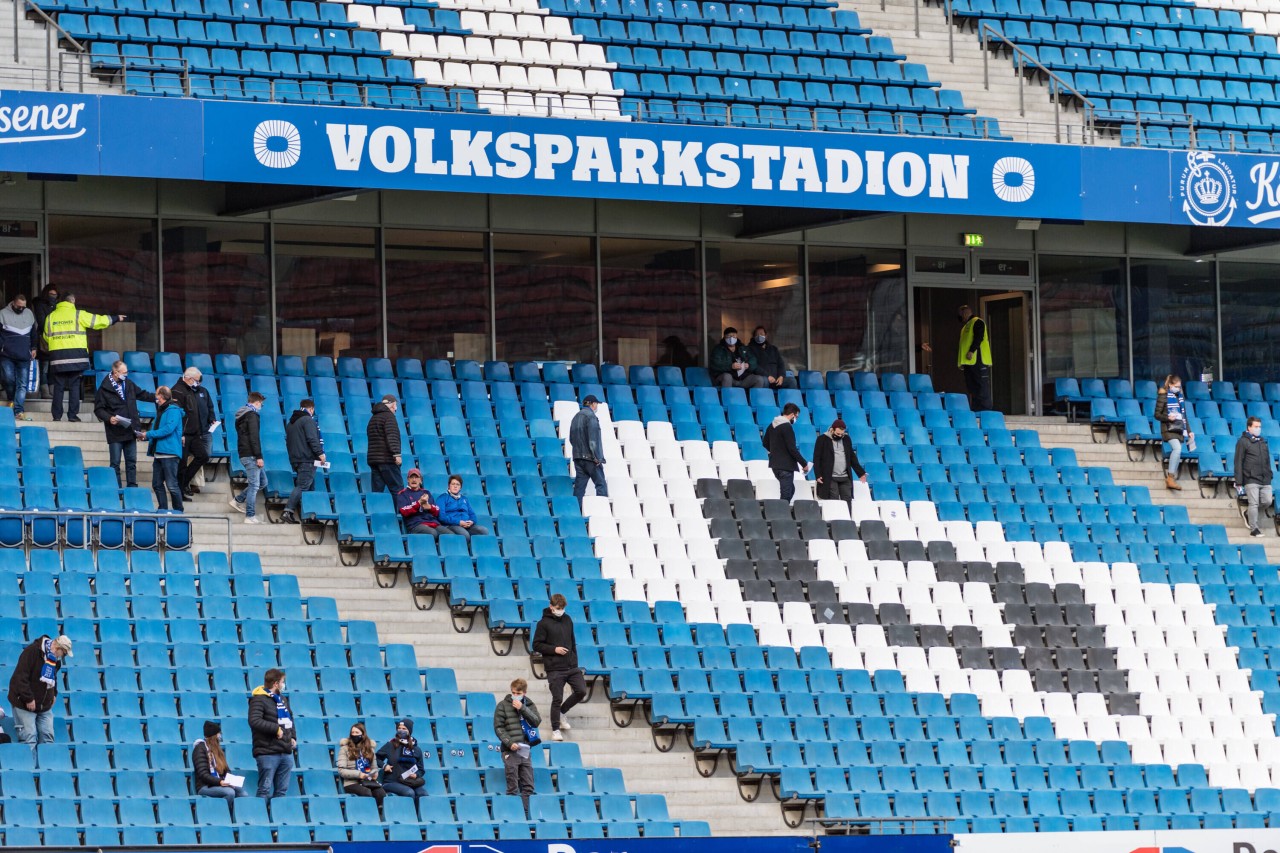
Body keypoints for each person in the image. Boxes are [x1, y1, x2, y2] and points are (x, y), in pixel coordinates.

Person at [41, 292, 123, 422]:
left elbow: (46, 336)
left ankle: (56, 416)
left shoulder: (50, 317)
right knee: (74, 386)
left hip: (57, 358)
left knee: (58, 387)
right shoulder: (78, 314)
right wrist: (115, 318)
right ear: (72, 301)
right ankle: (72, 416)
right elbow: (98, 321)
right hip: (76, 357)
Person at [532, 593, 586, 742]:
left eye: (562, 608)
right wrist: (554, 649)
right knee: (557, 698)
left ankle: (563, 712)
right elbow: (536, 645)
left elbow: (572, 641)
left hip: (571, 665)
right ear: (551, 606)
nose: (560, 610)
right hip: (554, 668)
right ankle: (555, 730)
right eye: (558, 608)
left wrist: (574, 659)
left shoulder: (568, 619)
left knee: (581, 691)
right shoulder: (543, 624)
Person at [94, 360, 156, 487]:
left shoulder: (128, 384)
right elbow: (99, 409)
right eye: (124, 372)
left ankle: (132, 487)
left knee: (131, 461)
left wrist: (157, 398)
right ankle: (117, 490)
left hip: (130, 429)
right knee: (115, 463)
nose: (126, 375)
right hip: (115, 431)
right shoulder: (104, 388)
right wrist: (109, 418)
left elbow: (142, 394)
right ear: (116, 373)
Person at [7, 634, 72, 749]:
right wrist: (28, 698)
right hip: (23, 703)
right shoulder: (31, 652)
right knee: (29, 739)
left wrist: (54, 694)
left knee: (48, 738)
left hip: (44, 705)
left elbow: (53, 678)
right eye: (64, 653)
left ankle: (47, 766)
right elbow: (21, 677)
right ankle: (29, 766)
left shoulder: (55, 660)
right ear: (58, 649)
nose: (64, 656)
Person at [248, 668, 296, 801]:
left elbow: (289, 718)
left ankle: (279, 818)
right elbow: (254, 721)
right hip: (267, 752)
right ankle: (261, 817)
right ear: (275, 683)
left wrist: (292, 736)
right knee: (264, 789)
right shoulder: (258, 700)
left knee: (282, 791)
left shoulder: (282, 699)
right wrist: (275, 729)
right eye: (282, 682)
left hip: (285, 751)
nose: (283, 684)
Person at [494, 678, 541, 812]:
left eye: (518, 693)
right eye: (513, 692)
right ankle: (512, 814)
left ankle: (526, 814)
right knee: (512, 786)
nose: (515, 695)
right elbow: (498, 728)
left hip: (525, 749)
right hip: (510, 750)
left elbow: (536, 721)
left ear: (524, 693)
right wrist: (509, 742)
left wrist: (523, 708)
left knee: (528, 786)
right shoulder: (502, 705)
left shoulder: (529, 704)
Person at [170, 367, 217, 499]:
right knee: (182, 464)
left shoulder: (191, 389)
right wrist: (181, 434)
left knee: (202, 456)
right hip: (185, 433)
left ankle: (184, 483)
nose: (198, 383)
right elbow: (177, 414)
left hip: (194, 432)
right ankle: (179, 491)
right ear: (189, 378)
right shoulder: (177, 390)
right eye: (196, 380)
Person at [281, 398, 325, 525]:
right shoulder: (308, 420)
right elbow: (312, 438)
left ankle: (310, 516)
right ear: (311, 409)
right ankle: (288, 511)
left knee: (310, 488)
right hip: (307, 459)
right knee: (303, 486)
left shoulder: (291, 423)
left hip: (296, 459)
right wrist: (320, 453)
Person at [141, 386, 185, 512]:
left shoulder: (173, 410)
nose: (156, 398)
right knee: (157, 484)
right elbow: (158, 430)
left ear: (161, 395)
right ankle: (163, 510)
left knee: (171, 485)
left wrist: (148, 434)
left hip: (170, 453)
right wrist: (145, 437)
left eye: (157, 395)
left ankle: (178, 511)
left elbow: (168, 429)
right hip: (159, 453)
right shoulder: (161, 410)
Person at [764, 402, 811, 502]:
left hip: (775, 465)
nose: (796, 419)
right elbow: (792, 448)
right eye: (796, 416)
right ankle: (781, 514)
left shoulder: (772, 425)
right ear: (792, 415)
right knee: (786, 494)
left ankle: (782, 512)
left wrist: (775, 452)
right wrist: (804, 464)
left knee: (790, 490)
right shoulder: (787, 427)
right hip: (785, 466)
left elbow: (765, 443)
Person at [230, 391, 266, 524]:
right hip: (250, 454)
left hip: (245, 452)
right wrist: (259, 456)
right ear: (257, 403)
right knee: (254, 485)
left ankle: (238, 500)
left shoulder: (242, 414)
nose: (261, 406)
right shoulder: (252, 415)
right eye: (261, 404)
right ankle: (250, 516)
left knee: (263, 482)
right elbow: (254, 437)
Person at [1155, 374, 1194, 491]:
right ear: (1170, 385)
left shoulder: (1180, 397)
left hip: (1178, 428)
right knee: (1177, 449)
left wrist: (1189, 431)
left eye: (1179, 386)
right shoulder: (1163, 395)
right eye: (1176, 386)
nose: (1178, 388)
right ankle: (1170, 477)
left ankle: (1171, 477)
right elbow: (1157, 415)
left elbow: (1184, 416)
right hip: (1168, 427)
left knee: (1178, 451)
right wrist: (1168, 417)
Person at [1235, 416, 1273, 538]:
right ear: (1249, 427)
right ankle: (1254, 528)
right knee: (1254, 503)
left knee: (1267, 501)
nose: (1258, 429)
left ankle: (1247, 513)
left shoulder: (1262, 441)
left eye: (1259, 427)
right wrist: (1239, 481)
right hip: (1250, 478)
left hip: (1265, 478)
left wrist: (1269, 474)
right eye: (1256, 427)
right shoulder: (1242, 441)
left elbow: (1267, 460)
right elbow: (1238, 462)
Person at [812, 418, 866, 502]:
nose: (840, 436)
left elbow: (852, 457)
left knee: (847, 500)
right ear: (832, 429)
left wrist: (861, 473)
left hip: (845, 476)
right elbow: (817, 458)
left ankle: (848, 515)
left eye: (842, 434)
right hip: (830, 477)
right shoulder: (822, 439)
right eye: (838, 433)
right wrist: (818, 474)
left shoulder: (846, 439)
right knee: (834, 501)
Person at [0, 293, 36, 420]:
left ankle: (18, 410)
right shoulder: (3, 313)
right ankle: (11, 399)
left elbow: (33, 333)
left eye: (23, 307)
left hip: (24, 355)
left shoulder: (29, 313)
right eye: (19, 306)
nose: (21, 309)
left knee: (22, 384)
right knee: (8, 379)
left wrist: (34, 348)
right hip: (6, 355)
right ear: (13, 303)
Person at [192, 721, 247, 803]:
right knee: (230, 792)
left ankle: (236, 814)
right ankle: (224, 813)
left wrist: (229, 780)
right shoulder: (200, 749)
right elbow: (203, 774)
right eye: (218, 734)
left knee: (243, 794)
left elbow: (226, 769)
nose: (220, 736)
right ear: (214, 736)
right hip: (205, 786)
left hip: (219, 783)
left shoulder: (218, 750)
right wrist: (220, 782)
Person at [376, 719, 427, 802]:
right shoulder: (390, 745)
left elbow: (421, 770)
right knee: (409, 793)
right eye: (399, 728)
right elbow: (376, 758)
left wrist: (416, 775)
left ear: (409, 731)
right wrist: (384, 766)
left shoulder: (417, 749)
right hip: (391, 781)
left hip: (409, 782)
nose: (401, 730)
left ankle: (419, 814)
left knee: (423, 794)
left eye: (404, 729)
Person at [569, 394, 607, 505]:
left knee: (579, 488)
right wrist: (596, 457)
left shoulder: (575, 417)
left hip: (578, 457)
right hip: (591, 458)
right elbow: (593, 439)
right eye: (596, 404)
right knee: (601, 484)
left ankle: (576, 511)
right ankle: (602, 510)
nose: (597, 406)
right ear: (592, 404)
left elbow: (572, 439)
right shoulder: (591, 417)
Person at [337, 722, 385, 805]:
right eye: (352, 733)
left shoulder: (370, 749)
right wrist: (359, 774)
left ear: (363, 734)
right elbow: (341, 770)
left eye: (357, 732)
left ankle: (378, 814)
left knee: (381, 793)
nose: (354, 735)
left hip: (368, 781)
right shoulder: (344, 749)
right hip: (351, 783)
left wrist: (374, 773)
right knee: (366, 793)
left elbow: (374, 767)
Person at [957, 304, 993, 412]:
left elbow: (979, 337)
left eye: (961, 315)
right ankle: (977, 409)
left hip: (978, 360)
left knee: (981, 385)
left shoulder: (977, 322)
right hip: (969, 363)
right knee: (972, 387)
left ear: (965, 313)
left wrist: (972, 350)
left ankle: (985, 409)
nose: (960, 317)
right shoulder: (965, 327)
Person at [367, 394, 403, 493]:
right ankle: (399, 509)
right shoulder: (389, 417)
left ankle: (375, 509)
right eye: (395, 405)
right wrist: (397, 454)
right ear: (391, 404)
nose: (395, 409)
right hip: (387, 459)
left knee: (377, 492)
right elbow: (392, 436)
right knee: (398, 490)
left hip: (374, 460)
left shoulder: (373, 418)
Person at [437, 474, 489, 538]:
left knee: (484, 531)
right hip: (451, 525)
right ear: (449, 486)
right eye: (453, 484)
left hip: (467, 525)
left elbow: (472, 514)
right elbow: (442, 517)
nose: (455, 486)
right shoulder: (442, 498)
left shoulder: (464, 499)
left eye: (458, 484)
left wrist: (471, 522)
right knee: (465, 535)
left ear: (460, 487)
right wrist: (459, 522)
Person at [395, 468, 442, 536]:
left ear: (420, 480)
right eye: (411, 477)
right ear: (408, 480)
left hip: (432, 522)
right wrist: (419, 503)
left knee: (449, 535)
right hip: (415, 524)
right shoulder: (402, 494)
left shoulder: (426, 492)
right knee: (433, 533)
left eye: (416, 477)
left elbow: (437, 511)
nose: (414, 480)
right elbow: (404, 511)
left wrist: (429, 507)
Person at [747, 325, 796, 390]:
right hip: (764, 378)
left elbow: (781, 364)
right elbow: (754, 366)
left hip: (776, 379)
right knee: (763, 381)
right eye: (757, 334)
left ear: (766, 335)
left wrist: (781, 376)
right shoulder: (750, 349)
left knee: (792, 381)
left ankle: (790, 400)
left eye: (761, 334)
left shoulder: (773, 349)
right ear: (754, 337)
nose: (759, 336)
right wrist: (767, 376)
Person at [30, 284, 58, 398]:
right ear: (46, 294)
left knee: (53, 367)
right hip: (43, 339)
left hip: (56, 340)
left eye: (55, 295)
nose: (53, 296)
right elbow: (42, 323)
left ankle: (52, 390)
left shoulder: (57, 306)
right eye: (51, 294)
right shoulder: (40, 304)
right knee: (44, 367)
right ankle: (45, 391)